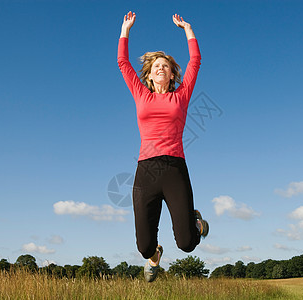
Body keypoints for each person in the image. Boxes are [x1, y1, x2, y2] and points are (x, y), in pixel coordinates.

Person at [118, 11, 209, 282]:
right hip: (146, 170)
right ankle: (155, 255)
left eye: (165, 66)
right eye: (156, 65)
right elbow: (122, 62)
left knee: (187, 244)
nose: (160, 68)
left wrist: (188, 30)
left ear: (171, 74)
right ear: (149, 73)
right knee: (143, 246)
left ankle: (194, 221)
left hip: (174, 168)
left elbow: (195, 62)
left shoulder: (181, 96)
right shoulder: (141, 93)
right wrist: (126, 30)